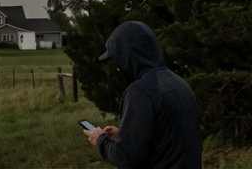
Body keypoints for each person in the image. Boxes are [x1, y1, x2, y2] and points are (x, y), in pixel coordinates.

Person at [83, 21, 202, 169]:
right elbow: (169, 141)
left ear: (127, 57)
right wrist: (124, 135)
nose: (118, 69)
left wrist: (100, 139)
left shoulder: (140, 92)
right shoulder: (181, 85)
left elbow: (126, 158)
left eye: (117, 60)